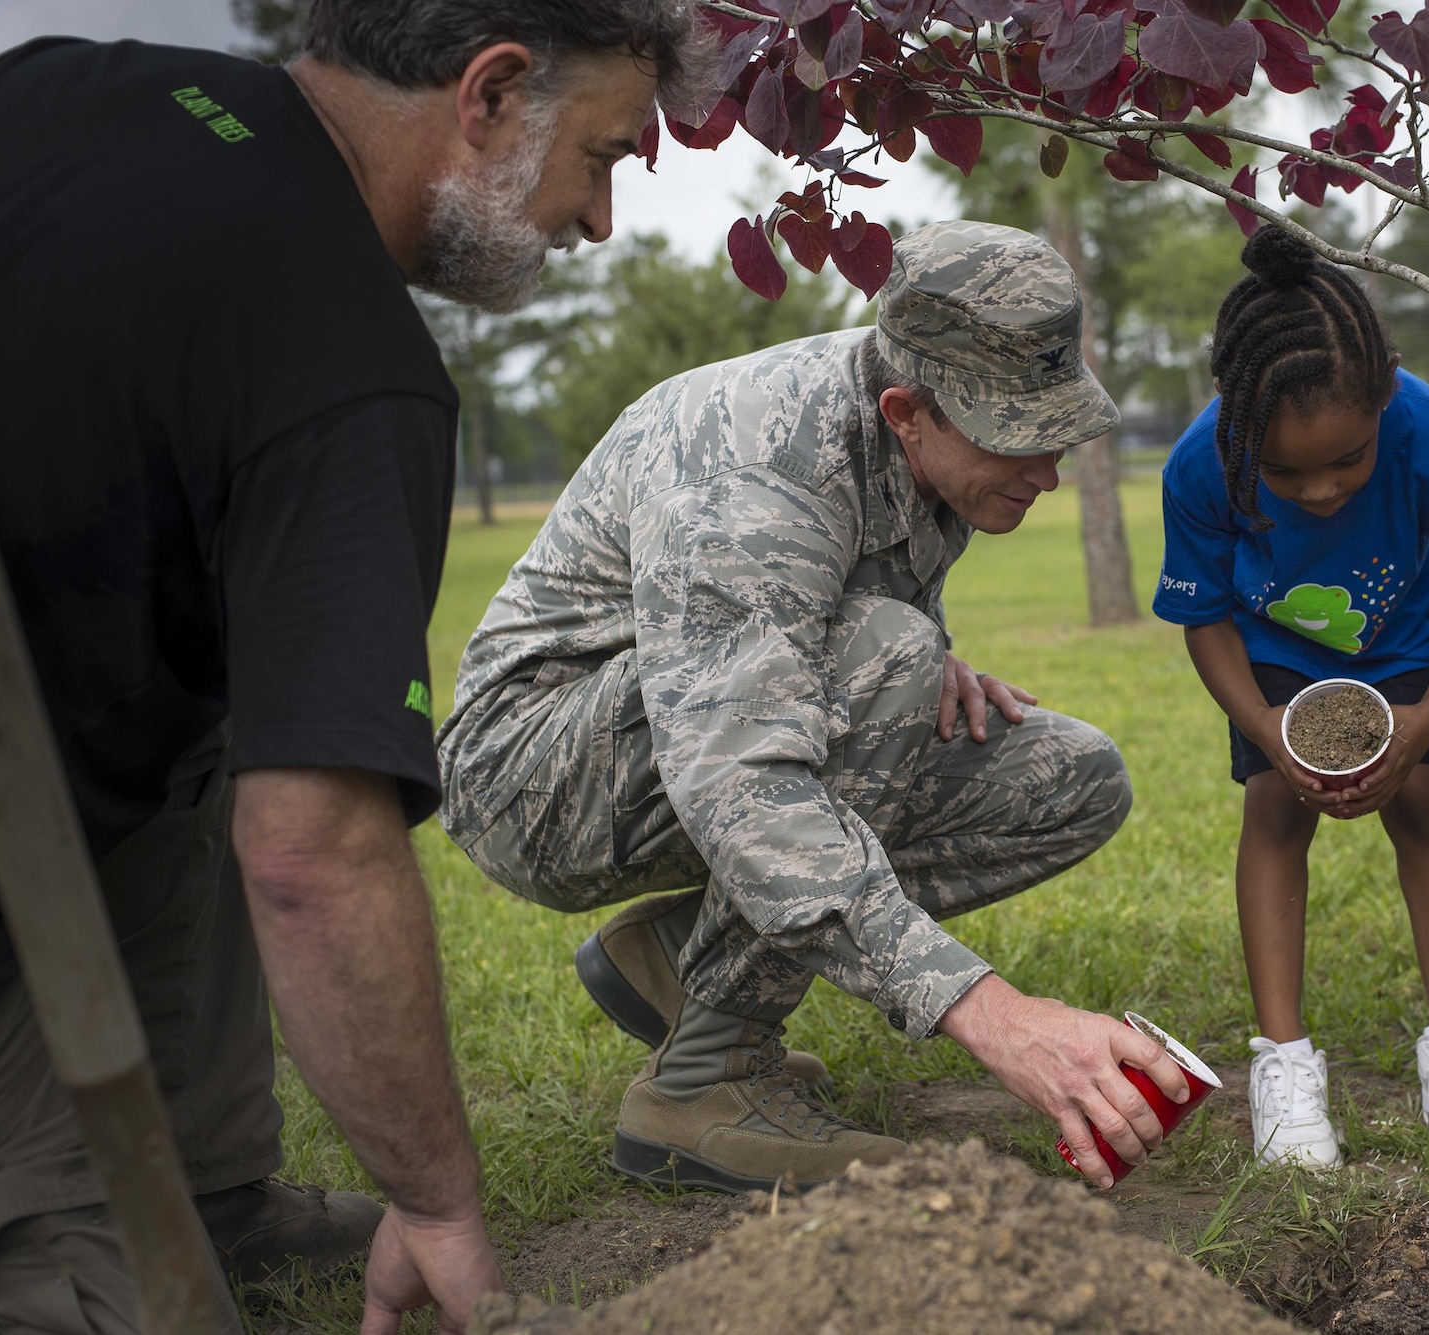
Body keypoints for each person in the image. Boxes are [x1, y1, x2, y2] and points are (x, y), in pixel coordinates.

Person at [0, 2, 702, 1329]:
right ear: (487, 96)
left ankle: (208, 1186)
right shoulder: (344, 363)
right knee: (111, 1299)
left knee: (225, 700)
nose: (598, 220)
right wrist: (436, 1200)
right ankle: (63, 1232)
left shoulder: (71, 82)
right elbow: (311, 850)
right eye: (605, 157)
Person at [434, 220, 1193, 1197]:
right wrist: (991, 1012)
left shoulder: (916, 445)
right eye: (1015, 442)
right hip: (533, 777)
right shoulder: (757, 464)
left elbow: (831, 616)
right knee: (886, 655)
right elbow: (738, 779)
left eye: (1055, 434)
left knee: (1067, 776)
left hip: (684, 727)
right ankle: (704, 1085)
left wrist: (923, 664)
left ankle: (676, 958)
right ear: (904, 408)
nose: (1045, 475)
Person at [1150, 228, 1429, 1167]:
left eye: (1347, 462)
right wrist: (1268, 729)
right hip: (1271, 651)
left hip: (1404, 642)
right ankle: (1285, 1058)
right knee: (1274, 810)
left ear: (1386, 389)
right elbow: (1208, 622)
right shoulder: (1200, 463)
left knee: (1425, 801)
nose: (1319, 490)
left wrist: (1426, 722)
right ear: (1238, 419)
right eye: (1285, 474)